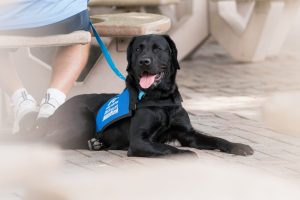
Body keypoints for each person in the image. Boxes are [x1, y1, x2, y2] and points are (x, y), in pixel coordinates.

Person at [0, 0, 91, 133]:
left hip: (8, 20)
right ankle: (52, 103)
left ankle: (21, 102)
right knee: (81, 32)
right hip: (66, 17)